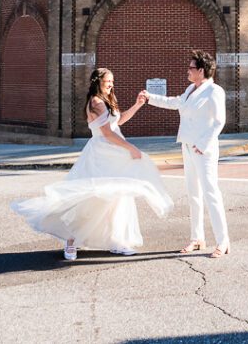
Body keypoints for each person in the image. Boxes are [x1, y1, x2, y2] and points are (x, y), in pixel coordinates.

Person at [12, 68, 173, 260]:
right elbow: (107, 132)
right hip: (102, 153)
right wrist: (130, 147)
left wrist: (137, 105)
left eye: (112, 81)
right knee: (91, 198)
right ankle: (71, 240)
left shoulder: (107, 100)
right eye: (108, 82)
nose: (111, 85)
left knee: (118, 195)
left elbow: (118, 122)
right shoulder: (96, 102)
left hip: (114, 152)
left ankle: (117, 240)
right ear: (98, 82)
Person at [140, 50, 230, 258]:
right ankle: (197, 238)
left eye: (191, 68)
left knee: (211, 193)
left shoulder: (214, 91)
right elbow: (175, 102)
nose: (187, 71)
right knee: (193, 194)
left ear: (201, 70)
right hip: (188, 146)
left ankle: (222, 241)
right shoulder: (191, 89)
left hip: (203, 149)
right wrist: (149, 97)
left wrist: (204, 144)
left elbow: (219, 121)